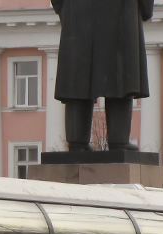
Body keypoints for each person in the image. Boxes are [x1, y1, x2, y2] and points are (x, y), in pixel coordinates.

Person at [52, 0, 155, 151]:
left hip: (78, 11)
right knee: (120, 77)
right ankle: (119, 141)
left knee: (77, 76)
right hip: (121, 10)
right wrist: (145, 9)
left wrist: (66, 9)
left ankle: (77, 142)